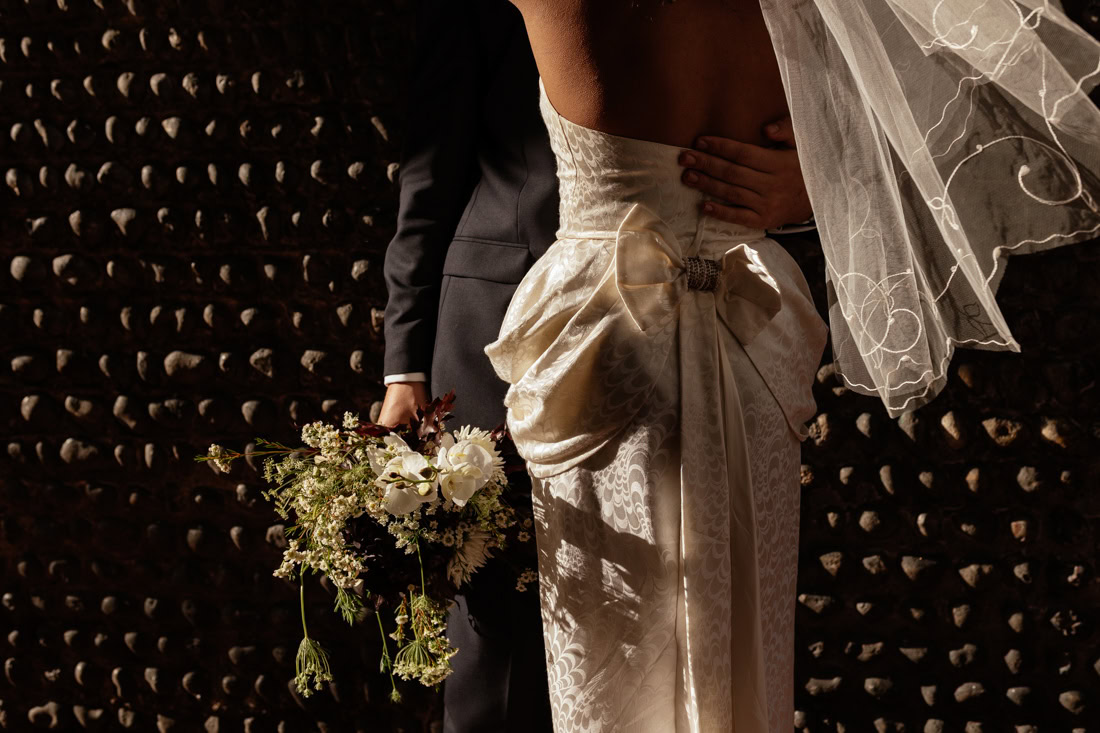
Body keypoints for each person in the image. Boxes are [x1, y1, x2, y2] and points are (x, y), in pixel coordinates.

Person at [486, 0, 1100, 731]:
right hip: (756, 325)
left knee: (611, 649)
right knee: (753, 643)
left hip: (608, 331)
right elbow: (926, 87)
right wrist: (820, 176)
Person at [377, 1, 821, 730]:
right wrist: (406, 367)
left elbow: (860, 119)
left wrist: (813, 183)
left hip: (635, 327)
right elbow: (430, 165)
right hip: (517, 332)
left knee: (673, 627)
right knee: (501, 647)